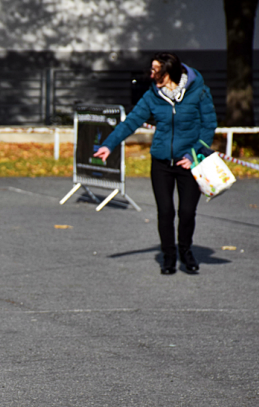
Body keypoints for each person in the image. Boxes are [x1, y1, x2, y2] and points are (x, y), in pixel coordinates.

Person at [93, 52, 217, 274]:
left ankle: (186, 251)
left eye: (155, 70)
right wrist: (109, 144)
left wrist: (193, 154)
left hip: (189, 162)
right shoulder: (152, 95)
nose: (151, 74)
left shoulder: (199, 91)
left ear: (169, 72)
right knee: (165, 211)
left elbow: (209, 126)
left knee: (187, 212)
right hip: (161, 163)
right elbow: (131, 121)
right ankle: (169, 256)